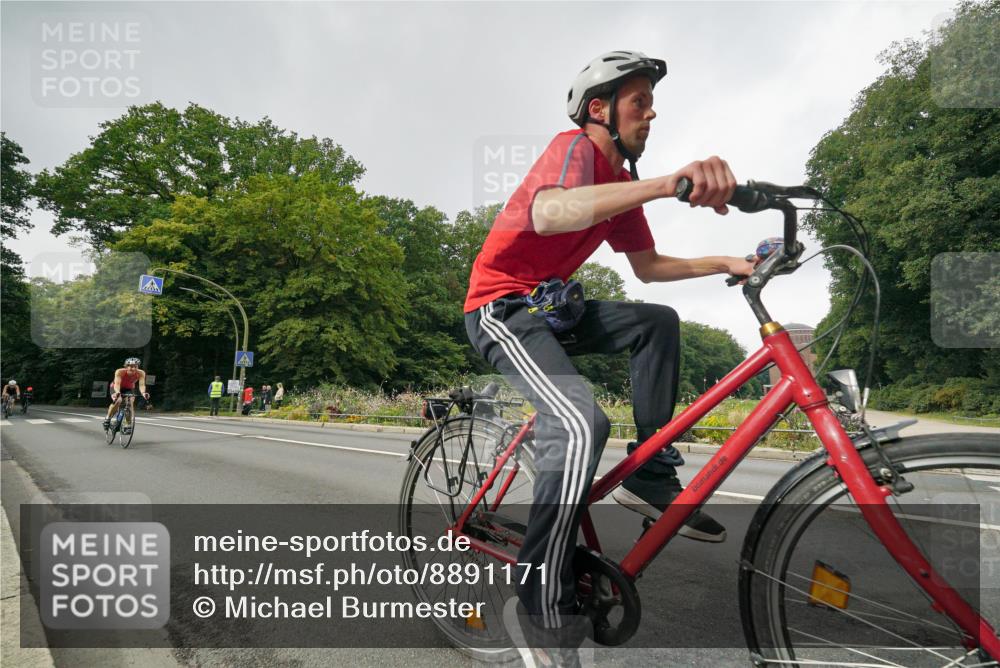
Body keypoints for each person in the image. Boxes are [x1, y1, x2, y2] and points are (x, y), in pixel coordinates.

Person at [463, 50, 756, 660]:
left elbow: (649, 269)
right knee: (579, 421)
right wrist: (671, 181)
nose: (651, 114)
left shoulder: (621, 187)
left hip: (549, 308)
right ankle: (540, 607)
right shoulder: (577, 151)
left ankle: (650, 474)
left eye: (651, 105)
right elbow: (550, 212)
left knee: (656, 323)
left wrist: (731, 262)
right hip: (501, 306)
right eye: (639, 103)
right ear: (599, 110)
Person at [103, 358, 150, 430]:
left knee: (130, 403)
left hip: (128, 389)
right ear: (126, 366)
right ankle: (108, 418)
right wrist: (117, 392)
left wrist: (143, 393)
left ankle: (128, 424)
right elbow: (117, 384)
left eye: (135, 366)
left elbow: (142, 385)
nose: (133, 368)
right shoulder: (120, 371)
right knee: (118, 401)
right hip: (116, 387)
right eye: (131, 366)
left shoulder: (141, 373)